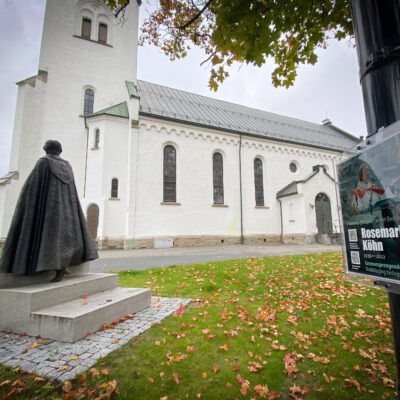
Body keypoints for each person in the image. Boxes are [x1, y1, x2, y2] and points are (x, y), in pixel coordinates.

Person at [0, 140, 98, 282]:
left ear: (47, 149)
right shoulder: (67, 165)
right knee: (61, 238)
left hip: (49, 209)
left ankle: (40, 265)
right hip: (67, 211)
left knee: (46, 236)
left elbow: (33, 186)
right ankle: (61, 266)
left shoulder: (44, 162)